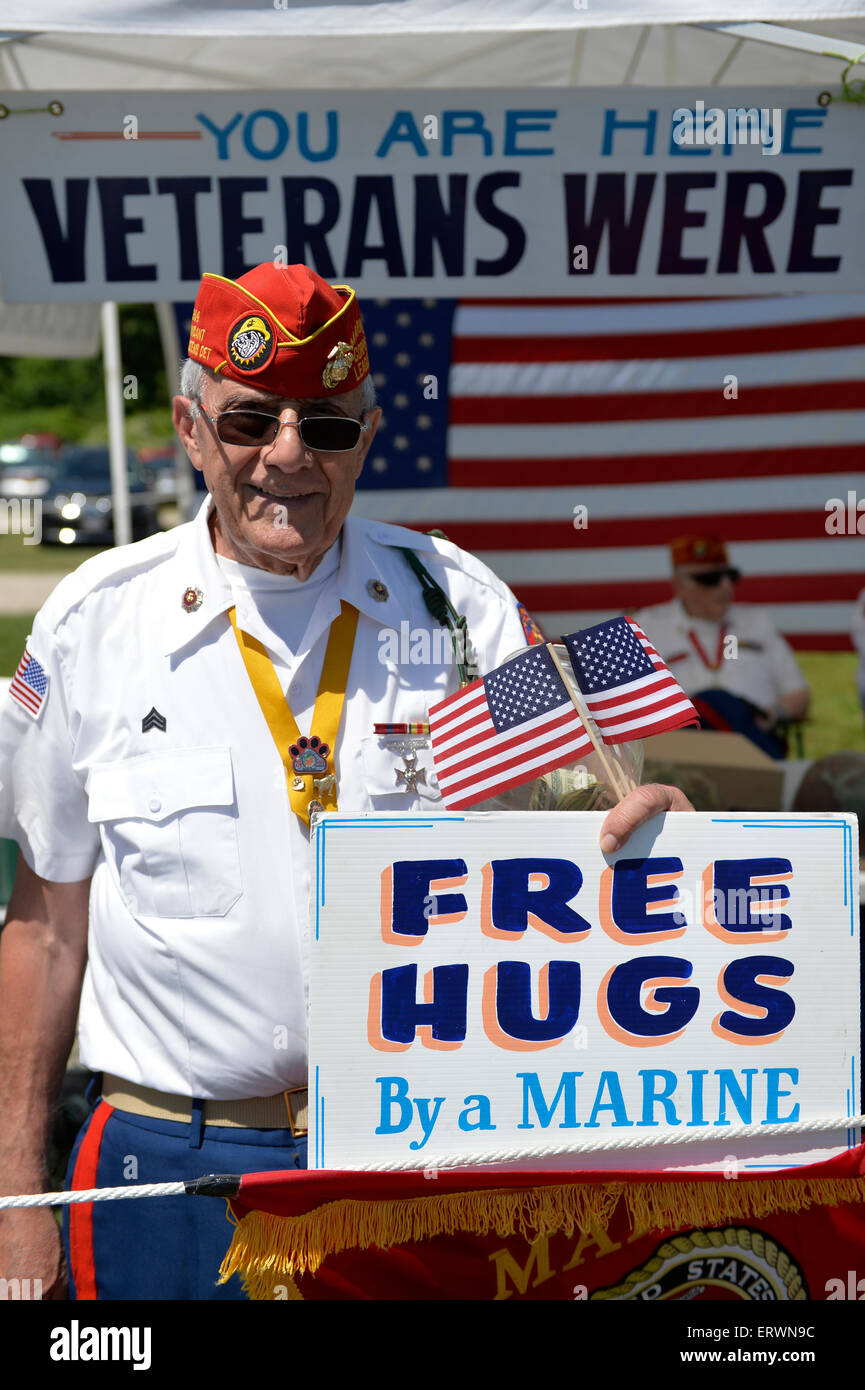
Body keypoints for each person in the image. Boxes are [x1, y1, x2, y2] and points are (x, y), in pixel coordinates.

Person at [0, 262, 692, 1302]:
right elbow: (48, 925)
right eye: (249, 423)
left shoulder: (459, 608)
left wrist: (657, 833)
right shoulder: (94, 622)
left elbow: (581, 815)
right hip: (164, 1165)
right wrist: (16, 1197)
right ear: (189, 430)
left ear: (368, 439)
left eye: (324, 427)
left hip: (411, 1160)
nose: (285, 455)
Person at [633, 534, 810, 760]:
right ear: (680, 586)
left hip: (754, 747)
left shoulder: (757, 621)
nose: (726, 586)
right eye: (711, 579)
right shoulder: (647, 626)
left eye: (730, 576)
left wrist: (774, 714)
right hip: (681, 753)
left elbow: (799, 694)